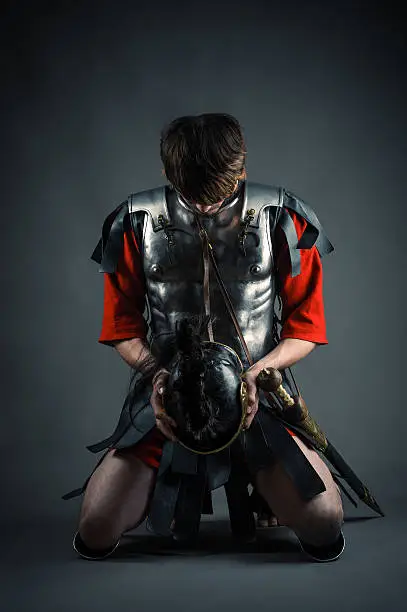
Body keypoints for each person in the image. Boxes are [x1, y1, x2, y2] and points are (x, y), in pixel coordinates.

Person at [64, 113, 346, 562]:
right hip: (167, 401)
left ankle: (262, 486)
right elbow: (122, 328)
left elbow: (305, 328)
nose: (206, 208)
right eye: (193, 196)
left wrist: (257, 375)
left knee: (325, 525)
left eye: (218, 194)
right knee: (95, 531)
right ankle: (163, 484)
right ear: (166, 174)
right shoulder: (135, 221)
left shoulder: (283, 218)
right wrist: (158, 378)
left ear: (242, 168)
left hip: (259, 395)